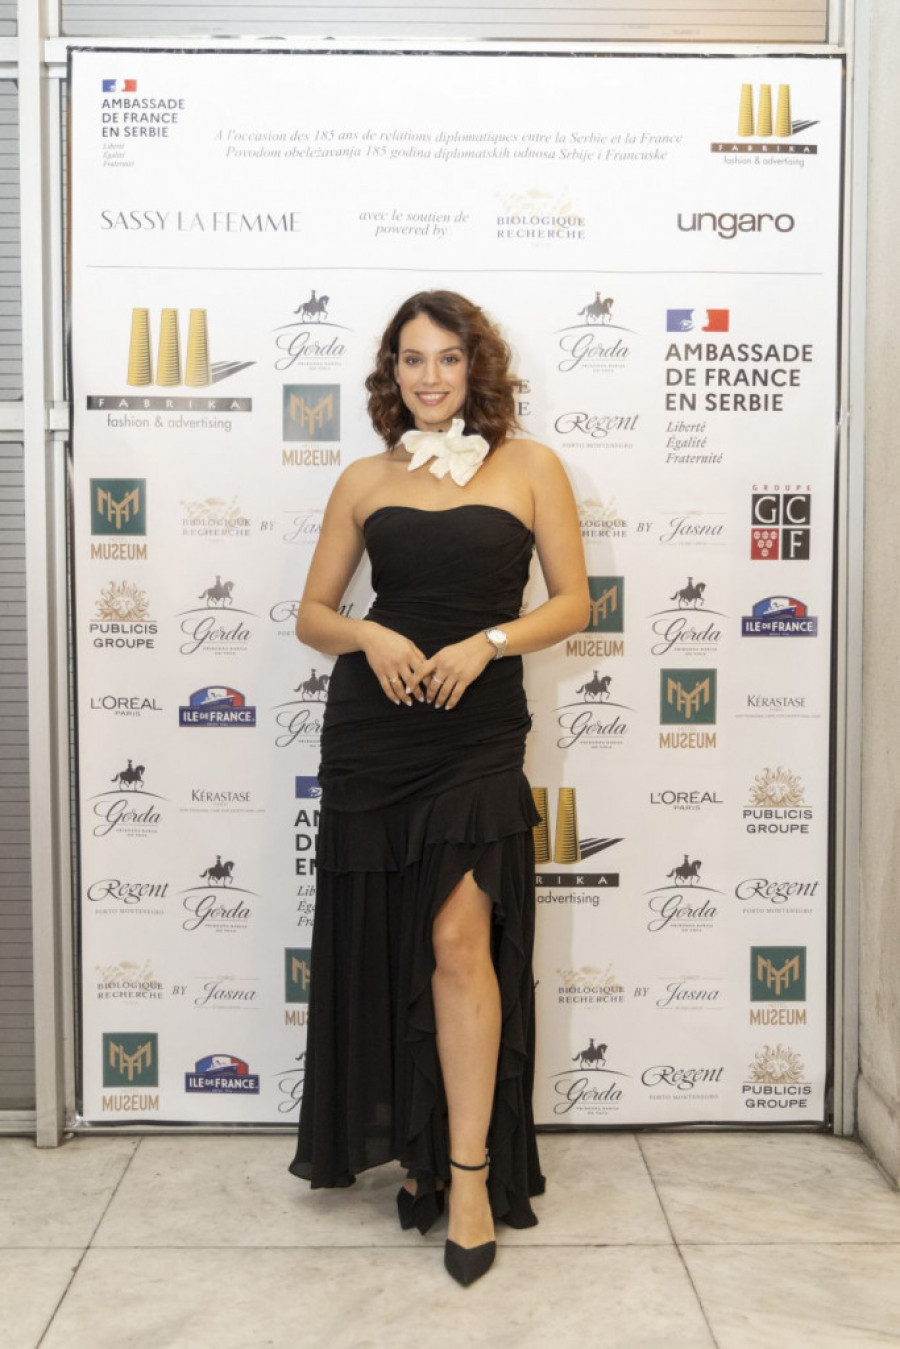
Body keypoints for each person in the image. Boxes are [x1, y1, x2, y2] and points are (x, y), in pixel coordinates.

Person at [289, 290, 589, 1286]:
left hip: (477, 728)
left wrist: (488, 640)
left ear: (476, 367)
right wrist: (369, 632)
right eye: (411, 359)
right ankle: (411, 1143)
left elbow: (574, 602)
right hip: (374, 731)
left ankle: (467, 1176)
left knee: (462, 940)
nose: (429, 376)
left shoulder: (531, 466)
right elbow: (312, 614)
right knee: (391, 941)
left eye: (447, 358)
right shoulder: (364, 478)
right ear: (393, 373)